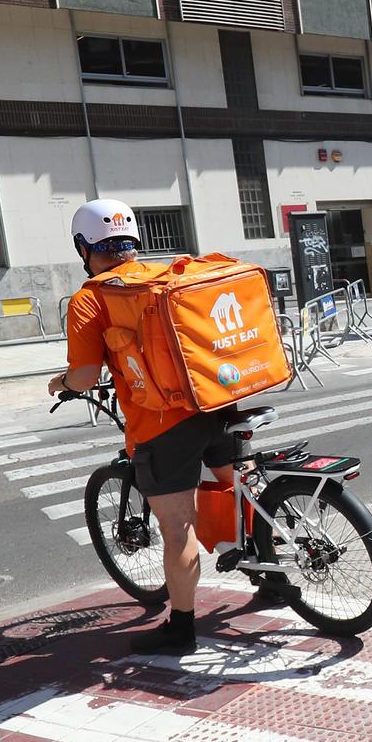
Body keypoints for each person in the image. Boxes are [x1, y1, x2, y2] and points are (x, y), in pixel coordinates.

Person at [49, 199, 231, 655]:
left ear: (82, 247)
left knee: (176, 528)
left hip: (163, 423)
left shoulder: (91, 298)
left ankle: (182, 628)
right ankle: (269, 569)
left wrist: (64, 383)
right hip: (219, 399)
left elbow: (87, 376)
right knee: (233, 488)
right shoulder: (166, 276)